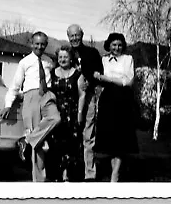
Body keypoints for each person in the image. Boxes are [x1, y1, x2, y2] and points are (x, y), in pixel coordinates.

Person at [0, 31, 61, 182]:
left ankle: (26, 140)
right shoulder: (24, 62)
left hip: (47, 95)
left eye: (43, 44)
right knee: (38, 145)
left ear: (46, 45)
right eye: (37, 44)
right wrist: (8, 105)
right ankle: (39, 181)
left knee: (56, 118)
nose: (40, 47)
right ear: (31, 44)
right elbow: (15, 86)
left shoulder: (49, 61)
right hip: (30, 97)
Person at [93, 32, 139, 182]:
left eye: (119, 45)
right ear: (109, 45)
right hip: (107, 99)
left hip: (123, 99)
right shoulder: (104, 59)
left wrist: (108, 78)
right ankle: (114, 171)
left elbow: (128, 81)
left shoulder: (128, 59)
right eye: (114, 45)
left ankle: (115, 174)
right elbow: (98, 78)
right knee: (111, 138)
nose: (117, 48)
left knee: (121, 138)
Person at [67, 24, 103, 182]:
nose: (74, 38)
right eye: (71, 36)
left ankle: (89, 173)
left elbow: (99, 73)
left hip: (88, 99)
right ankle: (70, 171)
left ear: (82, 35)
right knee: (70, 136)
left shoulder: (92, 52)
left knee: (88, 136)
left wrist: (90, 80)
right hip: (69, 101)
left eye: (77, 35)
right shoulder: (65, 53)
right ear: (68, 37)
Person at [45, 45, 85, 182]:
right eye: (60, 57)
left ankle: (68, 175)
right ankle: (56, 175)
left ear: (71, 58)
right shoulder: (51, 73)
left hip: (72, 115)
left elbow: (82, 95)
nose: (63, 59)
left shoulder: (78, 74)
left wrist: (80, 113)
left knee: (72, 146)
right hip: (56, 115)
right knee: (56, 146)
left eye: (65, 57)